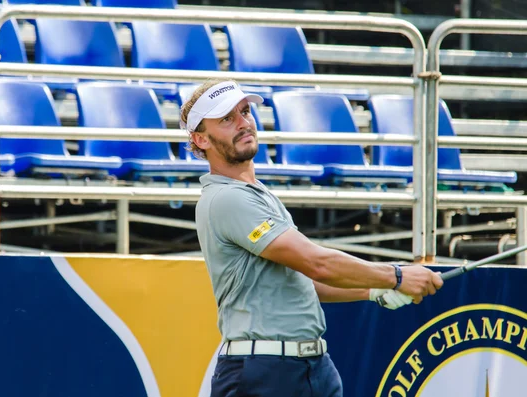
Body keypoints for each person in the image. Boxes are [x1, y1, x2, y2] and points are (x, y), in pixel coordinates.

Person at [180, 79, 443, 397]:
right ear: (200, 139)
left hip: (312, 369)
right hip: (261, 374)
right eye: (226, 119)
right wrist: (396, 276)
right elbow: (316, 263)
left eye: (246, 111)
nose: (243, 122)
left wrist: (374, 289)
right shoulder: (227, 198)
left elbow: (303, 280)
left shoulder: (257, 195)